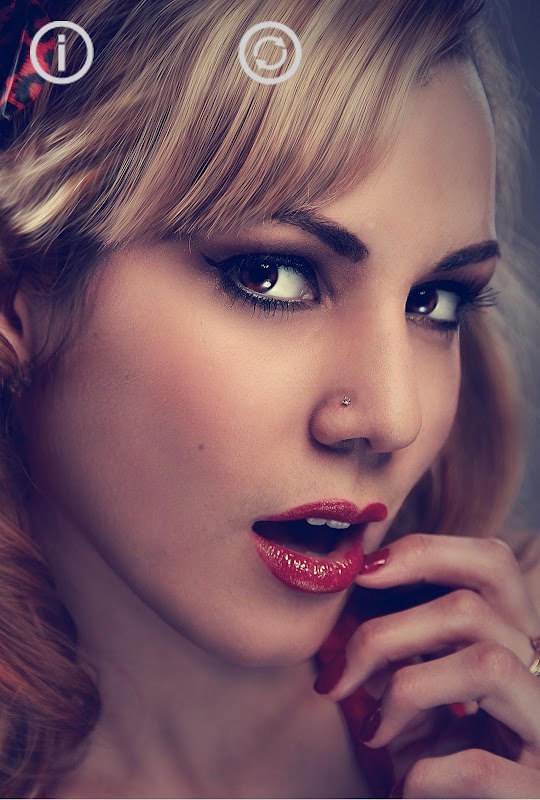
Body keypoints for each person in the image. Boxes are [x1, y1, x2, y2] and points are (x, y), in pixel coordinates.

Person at [0, 0, 539, 796]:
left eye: (435, 302)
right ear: (18, 286)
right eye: (273, 276)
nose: (394, 417)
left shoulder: (496, 719)